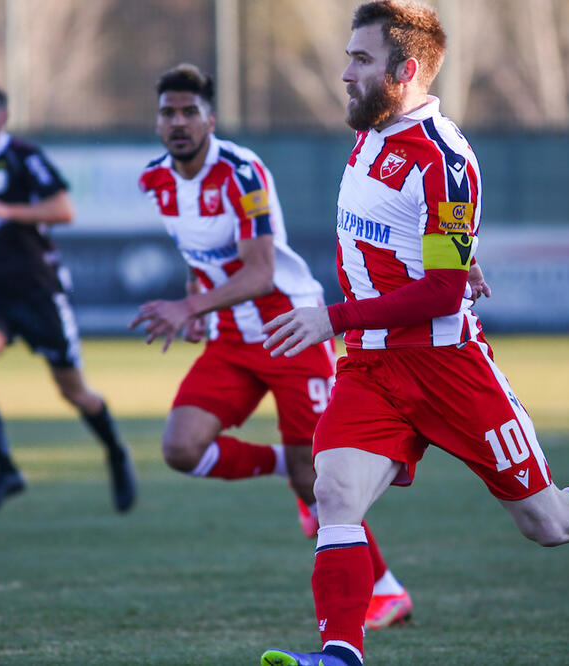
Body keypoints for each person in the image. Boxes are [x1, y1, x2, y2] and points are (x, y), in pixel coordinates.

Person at [259, 3, 569, 665]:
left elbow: (441, 294)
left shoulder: (445, 159)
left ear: (404, 71)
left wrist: (333, 317)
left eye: (361, 60)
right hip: (371, 367)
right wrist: (458, 257)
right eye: (349, 58)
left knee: (549, 521)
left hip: (448, 367)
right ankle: (341, 655)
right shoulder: (370, 132)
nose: (346, 73)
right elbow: (416, 245)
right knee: (334, 492)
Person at [131, 63, 414, 629]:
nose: (179, 122)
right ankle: (285, 465)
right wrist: (198, 304)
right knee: (181, 449)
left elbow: (261, 273)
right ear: (158, 123)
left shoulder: (242, 173)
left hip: (289, 331)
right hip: (230, 338)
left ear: (210, 119)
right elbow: (199, 257)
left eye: (190, 112)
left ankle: (386, 591)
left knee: (320, 480)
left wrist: (189, 307)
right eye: (168, 113)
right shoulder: (155, 180)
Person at [0, 79, 136, 514]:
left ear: (1, 116)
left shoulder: (24, 157)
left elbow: (64, 210)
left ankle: (115, 451)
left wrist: (9, 210)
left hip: (39, 292)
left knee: (74, 392)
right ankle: (6, 470)